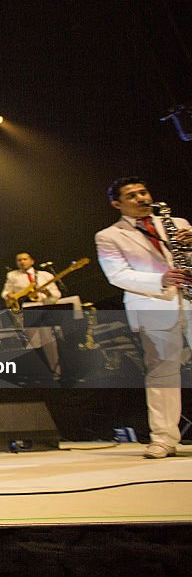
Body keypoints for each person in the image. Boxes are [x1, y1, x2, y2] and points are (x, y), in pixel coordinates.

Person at [95, 177, 192, 459]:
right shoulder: (109, 235)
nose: (140, 198)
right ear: (117, 204)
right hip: (153, 304)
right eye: (132, 195)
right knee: (163, 372)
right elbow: (117, 275)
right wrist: (159, 279)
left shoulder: (180, 224)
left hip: (188, 299)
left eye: (143, 192)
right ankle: (164, 439)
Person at [1, 252, 62, 378]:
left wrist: (48, 294)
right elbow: (6, 292)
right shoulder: (13, 276)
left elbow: (57, 295)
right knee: (33, 342)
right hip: (26, 311)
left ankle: (56, 369)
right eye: (19, 260)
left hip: (44, 309)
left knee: (48, 339)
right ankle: (40, 372)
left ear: (32, 261)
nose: (22, 262)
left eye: (24, 259)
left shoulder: (45, 275)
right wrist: (9, 296)